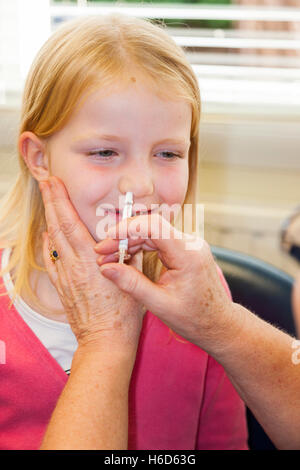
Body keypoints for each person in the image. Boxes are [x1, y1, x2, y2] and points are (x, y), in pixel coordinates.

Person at [0, 14, 248, 450]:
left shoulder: (200, 296)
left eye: (168, 153)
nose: (141, 185)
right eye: (105, 152)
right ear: (38, 158)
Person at [94, 212, 300, 450]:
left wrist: (221, 324)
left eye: (165, 170)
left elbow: (223, 441)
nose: (139, 183)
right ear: (41, 171)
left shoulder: (203, 293)